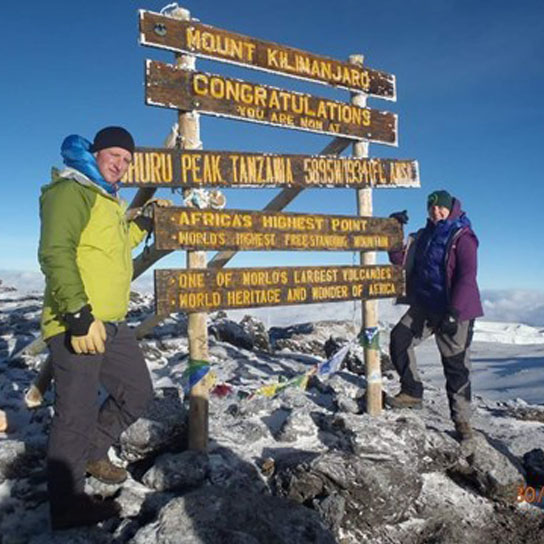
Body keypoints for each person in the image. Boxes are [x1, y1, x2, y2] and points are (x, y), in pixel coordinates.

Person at [38, 126, 164, 530]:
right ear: (95, 153)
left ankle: (93, 450)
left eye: (127, 160)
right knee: (74, 414)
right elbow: (55, 252)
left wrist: (147, 223)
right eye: (115, 155)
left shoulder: (107, 199)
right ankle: (68, 506)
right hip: (77, 322)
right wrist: (77, 314)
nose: (121, 164)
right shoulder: (71, 190)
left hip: (111, 324)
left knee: (138, 391)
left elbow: (118, 242)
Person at [387, 190, 483, 440]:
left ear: (450, 208)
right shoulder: (423, 236)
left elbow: (466, 275)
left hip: (454, 309)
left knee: (455, 365)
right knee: (399, 339)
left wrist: (455, 310)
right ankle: (412, 391)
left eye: (440, 207)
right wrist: (393, 231)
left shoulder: (463, 236)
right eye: (431, 208)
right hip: (426, 305)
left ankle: (462, 422)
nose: (435, 212)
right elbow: (400, 259)